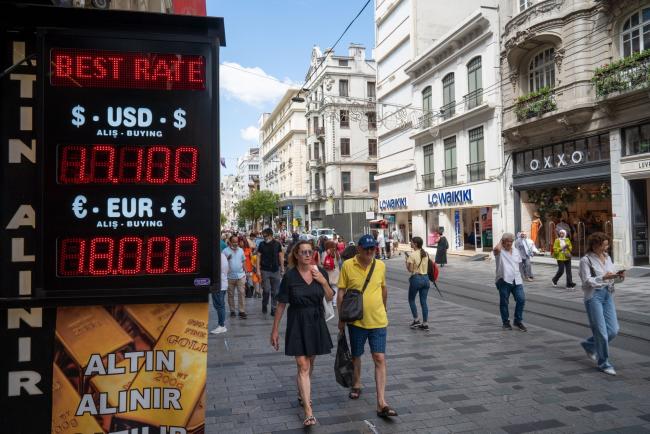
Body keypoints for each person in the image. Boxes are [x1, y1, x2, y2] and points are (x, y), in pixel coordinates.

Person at [270, 240, 334, 427]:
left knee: (310, 361)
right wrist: (274, 330)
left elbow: (330, 297)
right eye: (303, 252)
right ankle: (308, 411)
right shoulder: (290, 276)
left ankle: (302, 393)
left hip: (316, 320)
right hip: (297, 321)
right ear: (296, 255)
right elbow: (281, 304)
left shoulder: (320, 272)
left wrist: (323, 282)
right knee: (302, 365)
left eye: (310, 251)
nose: (307, 255)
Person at [337, 235, 397, 419]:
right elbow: (341, 292)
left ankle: (381, 402)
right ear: (359, 249)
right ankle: (356, 383)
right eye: (367, 249)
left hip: (378, 321)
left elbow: (383, 289)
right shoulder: (348, 265)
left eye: (373, 249)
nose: (370, 252)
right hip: (356, 321)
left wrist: (384, 309)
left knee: (379, 357)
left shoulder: (380, 265)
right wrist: (341, 318)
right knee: (356, 355)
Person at [578, 232, 623, 376]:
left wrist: (618, 276)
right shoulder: (586, 260)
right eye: (604, 244)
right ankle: (604, 363)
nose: (606, 247)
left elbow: (612, 276)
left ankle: (589, 344)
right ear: (595, 245)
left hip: (608, 294)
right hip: (594, 297)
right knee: (601, 332)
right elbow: (586, 281)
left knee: (613, 330)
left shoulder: (608, 257)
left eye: (607, 244)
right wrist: (602, 278)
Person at [493, 233, 527, 331]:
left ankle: (517, 321)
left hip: (517, 280)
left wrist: (523, 275)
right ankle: (506, 322)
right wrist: (500, 240)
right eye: (507, 241)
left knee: (521, 300)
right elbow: (497, 249)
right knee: (504, 302)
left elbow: (519, 265)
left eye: (511, 241)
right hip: (503, 280)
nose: (509, 243)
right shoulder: (499, 251)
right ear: (503, 242)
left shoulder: (516, 251)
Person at [257, 228, 285, 316]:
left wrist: (282, 268)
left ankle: (273, 308)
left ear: (271, 235)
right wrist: (258, 270)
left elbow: (281, 256)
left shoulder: (277, 244)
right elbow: (258, 257)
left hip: (275, 270)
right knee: (266, 289)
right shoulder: (261, 244)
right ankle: (264, 304)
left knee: (276, 291)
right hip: (265, 270)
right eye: (263, 236)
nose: (264, 237)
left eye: (265, 236)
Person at [405, 236, 430, 330]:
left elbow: (410, 270)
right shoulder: (426, 253)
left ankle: (416, 320)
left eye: (411, 242)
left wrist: (406, 263)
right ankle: (425, 323)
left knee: (411, 299)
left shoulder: (412, 255)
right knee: (424, 302)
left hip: (416, 279)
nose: (410, 243)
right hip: (426, 279)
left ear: (415, 244)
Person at [223, 235, 247, 319]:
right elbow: (222, 263)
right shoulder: (225, 251)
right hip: (229, 277)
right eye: (234, 242)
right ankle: (232, 310)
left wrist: (246, 272)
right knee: (230, 294)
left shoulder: (241, 250)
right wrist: (227, 259)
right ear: (230, 242)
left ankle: (242, 311)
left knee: (241, 293)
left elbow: (244, 261)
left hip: (240, 275)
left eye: (236, 242)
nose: (235, 243)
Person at [210, 250, 229, 334]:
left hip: (219, 285)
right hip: (222, 283)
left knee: (219, 305)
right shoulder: (223, 256)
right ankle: (221, 324)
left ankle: (221, 325)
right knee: (220, 305)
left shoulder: (218, 257)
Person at [322, 240, 340, 307]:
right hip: (335, 271)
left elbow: (323, 262)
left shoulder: (325, 252)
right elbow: (339, 261)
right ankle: (334, 302)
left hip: (327, 272)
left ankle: (328, 300)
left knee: (327, 286)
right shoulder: (336, 252)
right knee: (335, 287)